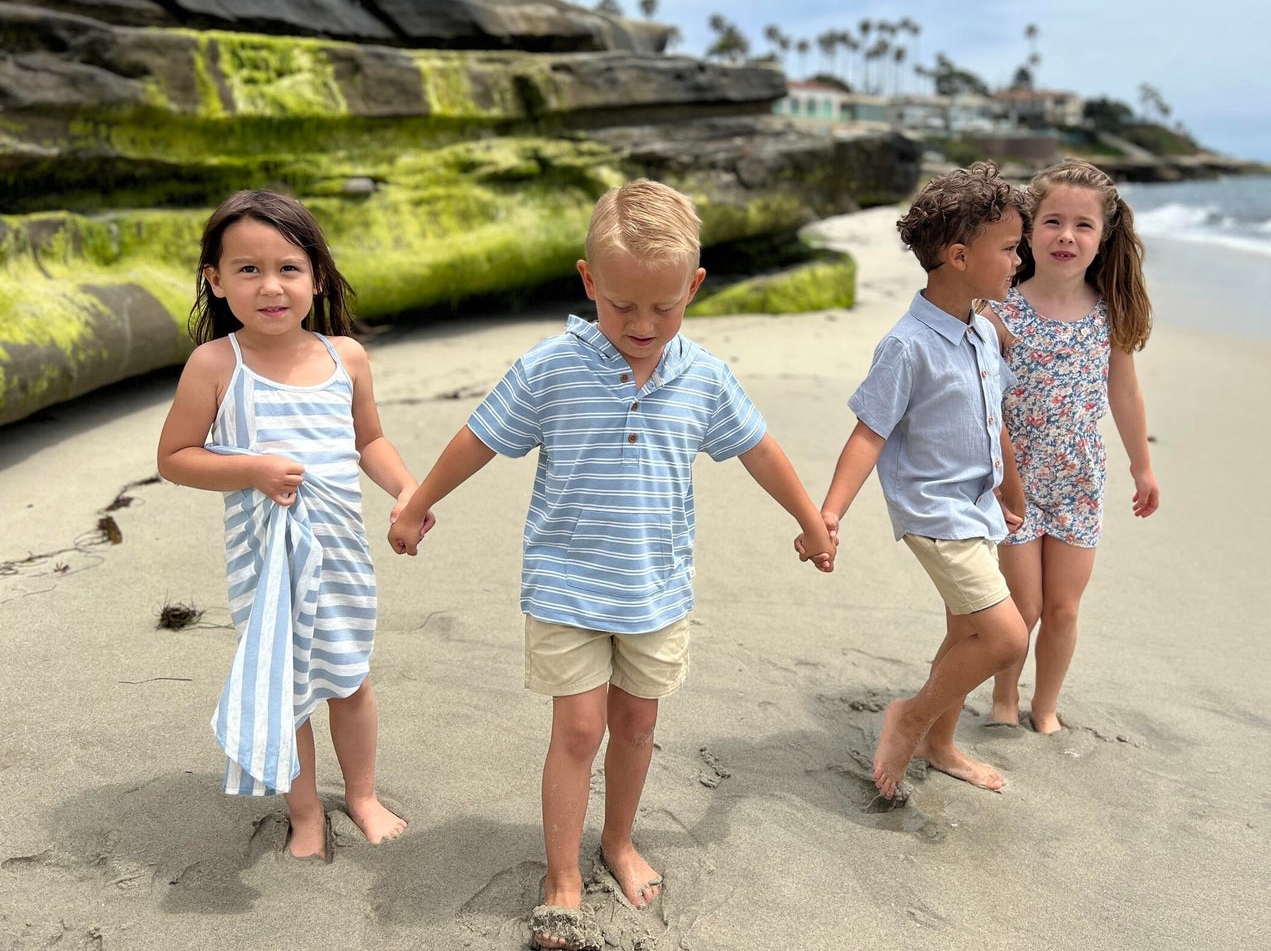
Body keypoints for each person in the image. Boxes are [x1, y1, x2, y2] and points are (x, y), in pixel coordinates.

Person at [387, 179, 834, 951]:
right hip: (565, 580)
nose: (642, 324)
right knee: (578, 729)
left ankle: (618, 842)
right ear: (588, 280)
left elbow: (759, 450)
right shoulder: (551, 368)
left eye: (664, 306)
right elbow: (480, 436)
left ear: (694, 287)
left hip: (655, 586)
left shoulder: (703, 377)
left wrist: (809, 520)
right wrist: (416, 502)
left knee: (636, 724)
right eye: (622, 304)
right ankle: (562, 873)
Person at [157, 190, 431, 858]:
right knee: (286, 688)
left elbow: (369, 441)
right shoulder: (216, 364)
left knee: (350, 677)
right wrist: (251, 469)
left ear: (317, 277)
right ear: (216, 281)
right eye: (247, 270)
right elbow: (175, 457)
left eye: (288, 268)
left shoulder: (345, 358)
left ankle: (362, 795)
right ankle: (305, 814)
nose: (270, 286)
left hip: (339, 554)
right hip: (264, 562)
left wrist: (407, 489)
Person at [806, 163, 1029, 800]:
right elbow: (868, 433)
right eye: (1010, 249)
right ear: (959, 256)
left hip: (976, 507)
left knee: (966, 632)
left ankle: (940, 743)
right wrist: (829, 513)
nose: (1020, 261)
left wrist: (1010, 490)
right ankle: (910, 718)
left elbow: (992, 418)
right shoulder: (907, 346)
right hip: (935, 514)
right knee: (1006, 638)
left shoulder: (983, 330)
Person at [984, 160, 1160, 735]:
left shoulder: (1109, 313)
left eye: (1083, 225)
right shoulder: (999, 309)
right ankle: (1004, 694)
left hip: (1078, 483)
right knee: (1023, 606)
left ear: (1103, 237)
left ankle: (1046, 704)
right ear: (1029, 230)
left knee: (1062, 609)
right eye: (1053, 221)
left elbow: (1124, 392)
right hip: (1011, 483)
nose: (1066, 236)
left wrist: (1142, 467)